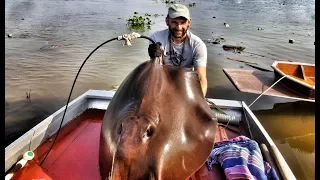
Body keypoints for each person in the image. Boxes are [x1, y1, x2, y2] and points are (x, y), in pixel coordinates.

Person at [148, 4, 208, 96]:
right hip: (163, 81)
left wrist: (198, 101)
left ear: (189, 22)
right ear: (167, 21)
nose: (179, 27)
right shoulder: (156, 38)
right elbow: (156, 70)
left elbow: (201, 79)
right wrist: (153, 57)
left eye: (183, 23)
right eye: (175, 22)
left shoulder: (198, 45)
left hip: (186, 83)